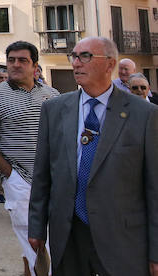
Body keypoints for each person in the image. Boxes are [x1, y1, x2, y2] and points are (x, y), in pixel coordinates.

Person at [29, 36, 158, 276]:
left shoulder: (145, 114)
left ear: (110, 65)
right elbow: (43, 174)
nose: (76, 63)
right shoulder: (54, 110)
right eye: (74, 57)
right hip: (68, 236)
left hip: (122, 238)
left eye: (85, 56)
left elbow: (154, 188)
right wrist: (36, 228)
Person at [0, 41, 59, 276]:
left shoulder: (52, 94)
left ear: (35, 66)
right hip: (20, 179)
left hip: (53, 179)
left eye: (22, 60)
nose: (15, 65)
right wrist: (9, 173)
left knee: (53, 240)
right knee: (34, 242)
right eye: (11, 60)